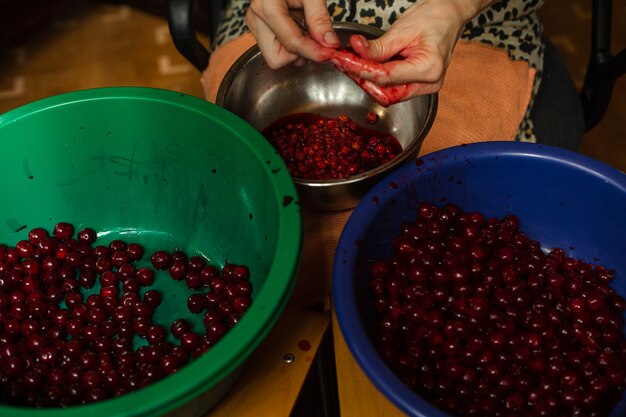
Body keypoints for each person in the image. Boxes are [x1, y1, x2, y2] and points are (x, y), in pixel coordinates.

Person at [206, 0, 545, 144]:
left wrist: (455, 7)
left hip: (469, 21)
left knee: (440, 189)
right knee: (239, 171)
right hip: (287, 9)